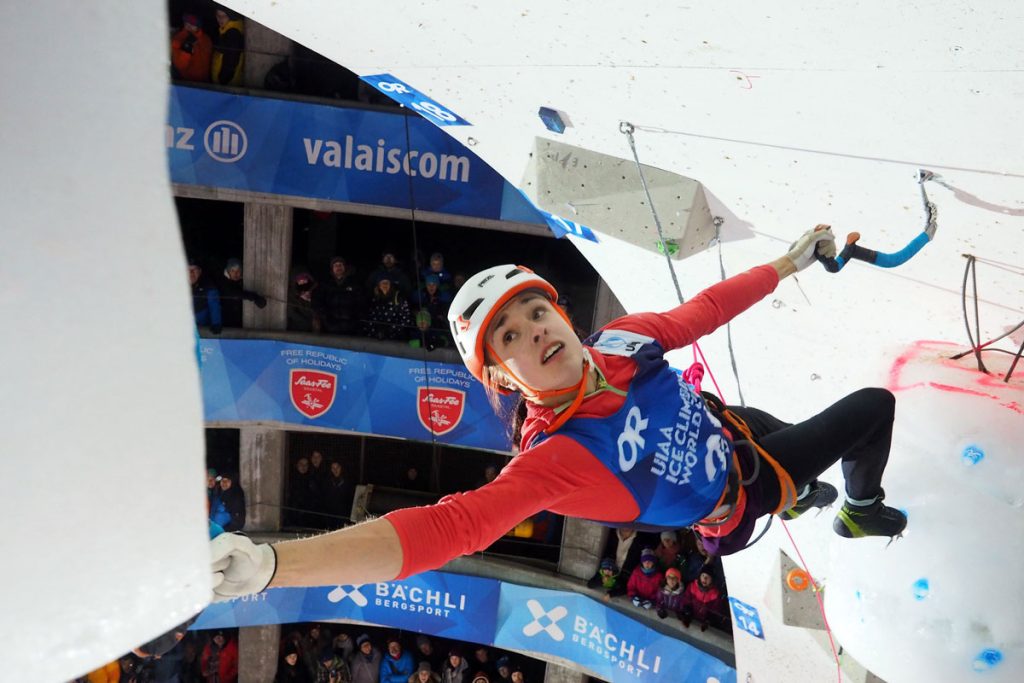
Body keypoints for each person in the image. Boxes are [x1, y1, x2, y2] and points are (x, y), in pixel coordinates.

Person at [210, 227, 907, 601]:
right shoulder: (556, 460)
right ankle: (859, 508)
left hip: (732, 427)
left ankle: (811, 496)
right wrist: (274, 564)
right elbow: (445, 529)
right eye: (510, 336)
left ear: (563, 313)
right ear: (502, 377)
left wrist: (786, 264)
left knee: (803, 471)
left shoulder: (625, 340)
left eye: (536, 310)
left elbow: (704, 310)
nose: (535, 331)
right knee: (872, 409)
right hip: (738, 494)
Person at [319, 257, 366, 335]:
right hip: (330, 327)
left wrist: (355, 318)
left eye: (340, 265)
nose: (338, 267)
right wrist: (326, 318)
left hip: (350, 327)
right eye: (335, 265)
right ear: (332, 268)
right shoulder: (325, 284)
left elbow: (361, 302)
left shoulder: (354, 283)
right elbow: (319, 302)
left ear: (345, 267)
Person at [218, 258, 267, 328]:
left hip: (240, 319)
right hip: (226, 318)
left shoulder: (242, 281)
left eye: (238, 271)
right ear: (228, 271)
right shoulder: (223, 281)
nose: (235, 273)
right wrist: (254, 297)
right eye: (232, 271)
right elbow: (236, 293)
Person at [363, 276, 413, 341]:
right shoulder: (374, 299)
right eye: (382, 283)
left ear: (390, 285)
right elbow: (369, 318)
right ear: (378, 285)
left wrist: (389, 332)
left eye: (387, 283)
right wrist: (376, 332)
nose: (385, 285)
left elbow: (406, 320)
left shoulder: (399, 299)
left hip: (396, 339)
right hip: (375, 338)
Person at [170, 13, 213, 83]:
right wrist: (186, 49)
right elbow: (180, 66)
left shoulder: (206, 39)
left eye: (192, 24)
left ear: (198, 25)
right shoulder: (178, 39)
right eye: (186, 23)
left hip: (206, 82)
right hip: (188, 83)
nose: (188, 26)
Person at [211, 7, 245, 86]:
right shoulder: (226, 29)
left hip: (227, 83)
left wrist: (222, 80)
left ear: (230, 16)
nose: (220, 19)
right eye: (218, 15)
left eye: (224, 16)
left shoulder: (233, 34)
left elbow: (231, 59)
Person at [189, 261, 222, 334]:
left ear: (199, 271)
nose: (191, 273)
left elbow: (214, 305)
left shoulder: (208, 285)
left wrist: (216, 323)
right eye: (188, 269)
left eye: (194, 269)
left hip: (203, 328)